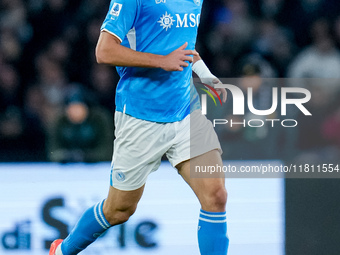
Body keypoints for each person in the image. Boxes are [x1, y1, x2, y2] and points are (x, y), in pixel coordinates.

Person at [49, 0, 229, 254]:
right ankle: (63, 250)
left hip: (186, 112)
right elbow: (104, 51)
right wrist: (160, 61)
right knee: (119, 210)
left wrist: (205, 74)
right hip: (140, 117)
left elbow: (179, 42)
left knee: (216, 196)